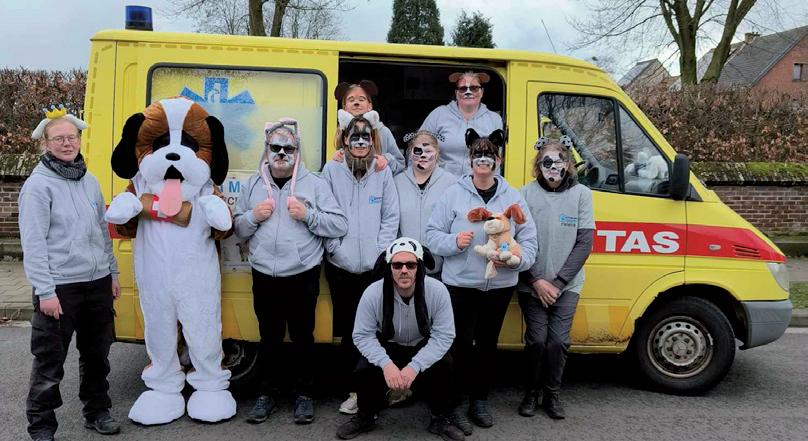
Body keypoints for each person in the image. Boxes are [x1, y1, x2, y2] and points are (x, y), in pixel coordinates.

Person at [234, 120, 348, 425]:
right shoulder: (253, 185)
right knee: (268, 337)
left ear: (298, 152)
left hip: (302, 273)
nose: (282, 153)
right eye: (276, 148)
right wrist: (253, 217)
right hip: (263, 273)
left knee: (302, 337)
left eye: (289, 148)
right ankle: (267, 394)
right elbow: (238, 228)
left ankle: (304, 395)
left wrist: (308, 215)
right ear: (266, 150)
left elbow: (339, 224)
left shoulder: (315, 184)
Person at [425, 128, 537, 435]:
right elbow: (432, 234)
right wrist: (454, 242)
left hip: (499, 286)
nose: (483, 159)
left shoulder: (513, 197)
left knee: (487, 345)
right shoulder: (453, 194)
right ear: (470, 158)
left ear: (498, 160)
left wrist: (517, 261)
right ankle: (455, 402)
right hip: (460, 284)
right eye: (478, 154)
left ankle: (480, 400)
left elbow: (529, 240)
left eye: (489, 155)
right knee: (459, 344)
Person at [20, 105, 121, 441]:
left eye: (72, 137)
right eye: (58, 138)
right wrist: (45, 292)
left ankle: (97, 411)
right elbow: (34, 243)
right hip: (60, 288)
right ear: (45, 144)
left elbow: (102, 231)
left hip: (97, 283)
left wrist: (112, 273)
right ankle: (41, 426)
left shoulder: (89, 181)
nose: (67, 143)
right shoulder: (38, 186)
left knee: (97, 357)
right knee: (50, 362)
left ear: (79, 139)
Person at [335, 238, 464, 441]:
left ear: (419, 267)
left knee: (446, 365)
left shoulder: (438, 291)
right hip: (389, 344)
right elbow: (362, 335)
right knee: (363, 369)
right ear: (389, 268)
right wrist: (386, 364)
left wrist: (415, 366)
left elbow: (444, 335)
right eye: (397, 265)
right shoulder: (372, 293)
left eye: (410, 265)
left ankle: (440, 417)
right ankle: (366, 416)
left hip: (422, 344)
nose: (404, 270)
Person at [322, 113, 400, 415]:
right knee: (349, 331)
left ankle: (377, 388)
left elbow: (390, 216)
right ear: (344, 139)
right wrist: (335, 249)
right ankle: (353, 390)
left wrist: (381, 253)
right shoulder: (331, 169)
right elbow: (323, 211)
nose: (360, 141)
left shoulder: (382, 170)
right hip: (340, 267)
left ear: (372, 140)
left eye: (365, 136)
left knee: (376, 329)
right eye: (354, 136)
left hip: (374, 267)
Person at [517, 136, 594, 420]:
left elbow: (584, 243)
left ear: (568, 164)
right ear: (538, 165)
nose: (552, 167)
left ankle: (552, 394)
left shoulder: (582, 195)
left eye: (558, 161)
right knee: (537, 341)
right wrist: (537, 281)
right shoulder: (525, 194)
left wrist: (558, 284)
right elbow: (516, 242)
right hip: (531, 284)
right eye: (546, 162)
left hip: (567, 285)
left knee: (558, 342)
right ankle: (531, 392)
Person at [394, 130, 457, 277]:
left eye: (428, 151)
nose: (423, 155)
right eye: (418, 151)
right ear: (410, 153)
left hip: (440, 269)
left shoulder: (451, 183)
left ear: (437, 153)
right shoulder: (397, 182)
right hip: (405, 267)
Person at [419, 71, 503, 177]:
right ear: (456, 93)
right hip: (442, 182)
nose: (468, 92)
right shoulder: (439, 114)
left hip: (478, 183)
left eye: (474, 88)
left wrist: (492, 184)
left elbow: (497, 159)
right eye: (463, 88)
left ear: (481, 92)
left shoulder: (494, 119)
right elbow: (418, 147)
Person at [332, 80, 406, 175]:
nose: (356, 103)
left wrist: (387, 159)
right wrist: (338, 157)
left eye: (361, 99)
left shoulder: (383, 131)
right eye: (351, 100)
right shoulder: (341, 131)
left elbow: (400, 164)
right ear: (345, 107)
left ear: (370, 106)